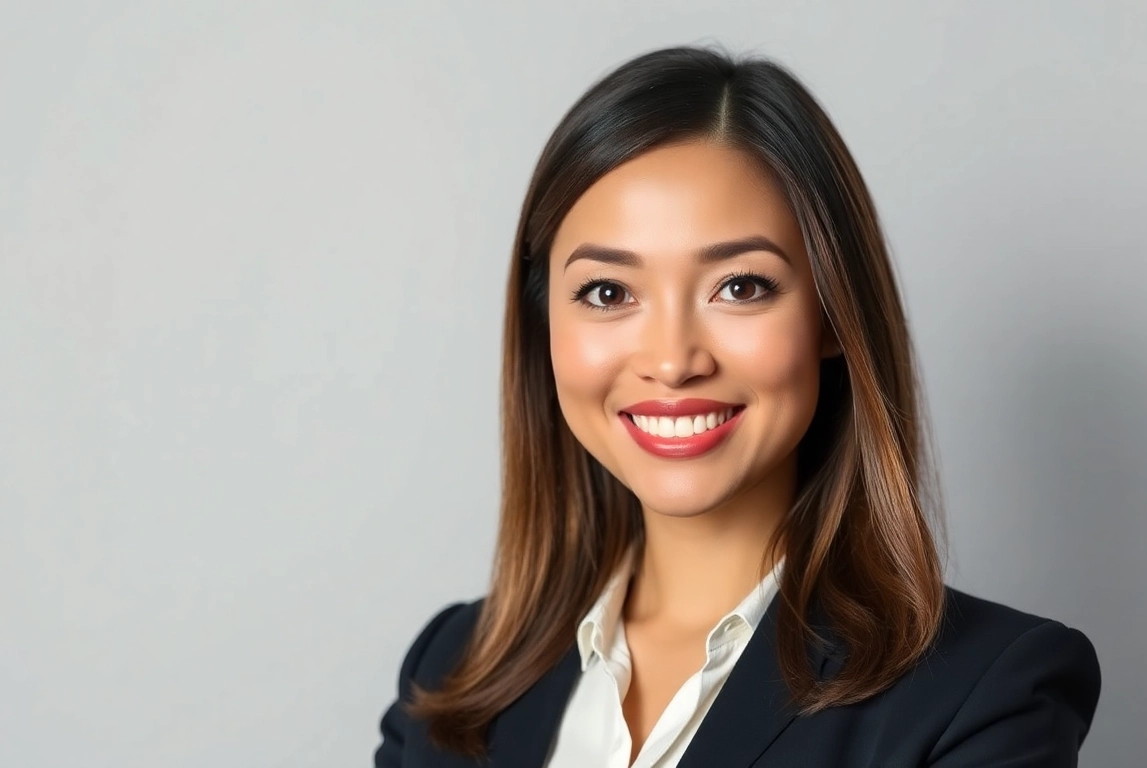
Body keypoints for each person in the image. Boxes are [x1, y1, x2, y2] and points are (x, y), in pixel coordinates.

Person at [374, 45, 1101, 768]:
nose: (672, 359)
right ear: (545, 326)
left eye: (741, 286)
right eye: (607, 292)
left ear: (830, 316)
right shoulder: (449, 672)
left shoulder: (986, 696)